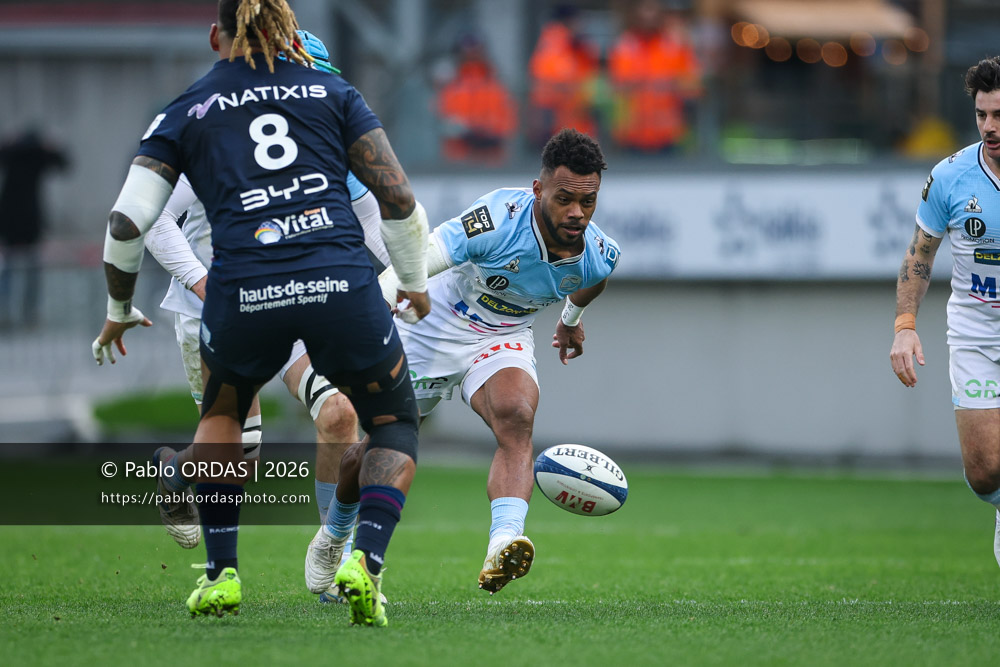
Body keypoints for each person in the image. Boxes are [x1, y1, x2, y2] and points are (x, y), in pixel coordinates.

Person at [91, 0, 429, 627]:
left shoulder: (189, 108)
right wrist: (413, 283)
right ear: (293, 40)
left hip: (246, 293)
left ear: (216, 34)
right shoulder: (332, 96)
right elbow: (400, 199)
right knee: (389, 421)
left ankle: (240, 571)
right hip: (327, 288)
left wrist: (118, 307)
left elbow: (125, 219)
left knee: (281, 420)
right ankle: (366, 561)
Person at [307, 128, 620, 596]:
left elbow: (592, 280)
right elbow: (425, 254)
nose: (577, 213)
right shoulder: (497, 218)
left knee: (517, 416)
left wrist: (571, 320)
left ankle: (503, 544)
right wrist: (379, 303)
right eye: (564, 199)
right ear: (538, 190)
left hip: (501, 335)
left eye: (588, 201)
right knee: (376, 448)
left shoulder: (597, 254)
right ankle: (334, 536)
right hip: (432, 324)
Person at [142, 30, 387, 606]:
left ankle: (333, 550)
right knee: (241, 453)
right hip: (220, 307)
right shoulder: (213, 132)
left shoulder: (332, 150)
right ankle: (178, 473)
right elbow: (151, 221)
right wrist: (209, 286)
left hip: (301, 299)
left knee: (340, 417)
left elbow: (378, 224)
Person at [890, 55, 1000, 572]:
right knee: (984, 472)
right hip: (976, 334)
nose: (990, 126)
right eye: (982, 115)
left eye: (999, 114)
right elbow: (919, 254)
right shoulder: (952, 176)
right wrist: (905, 326)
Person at [607, 0, 701, 153]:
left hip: (669, 136)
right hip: (630, 135)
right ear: (634, 14)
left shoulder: (676, 45)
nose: (648, 16)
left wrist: (670, 85)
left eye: (653, 10)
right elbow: (615, 86)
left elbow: (693, 87)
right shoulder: (624, 45)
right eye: (644, 10)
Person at [0, 128, 68, 329]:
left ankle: (14, 312)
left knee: (15, 269)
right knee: (24, 269)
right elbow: (62, 162)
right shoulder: (36, 155)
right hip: (25, 219)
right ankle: (22, 313)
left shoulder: (15, 154)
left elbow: (63, 163)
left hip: (14, 219)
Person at [436, 35, 518, 165]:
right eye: (467, 53)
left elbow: (508, 123)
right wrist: (464, 131)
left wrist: (486, 132)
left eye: (475, 52)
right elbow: (444, 122)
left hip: (492, 156)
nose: (471, 56)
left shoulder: (496, 86)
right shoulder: (451, 87)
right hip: (460, 157)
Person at [528, 5, 601, 146]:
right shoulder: (555, 43)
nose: (582, 25)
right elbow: (558, 80)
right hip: (556, 123)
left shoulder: (576, 45)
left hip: (575, 122)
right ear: (569, 21)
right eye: (578, 20)